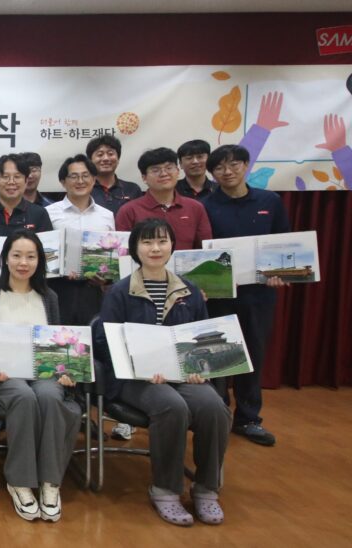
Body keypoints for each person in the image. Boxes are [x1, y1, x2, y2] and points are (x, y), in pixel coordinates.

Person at [95, 218, 230, 526]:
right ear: (135, 248)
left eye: (161, 241)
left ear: (172, 246)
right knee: (171, 406)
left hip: (183, 375)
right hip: (135, 378)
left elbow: (202, 337)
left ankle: (207, 488)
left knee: (214, 406)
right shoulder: (119, 292)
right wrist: (140, 367)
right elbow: (104, 342)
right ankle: (165, 489)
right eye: (147, 242)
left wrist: (200, 368)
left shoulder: (189, 290)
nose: (155, 248)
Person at [0, 230, 79, 522]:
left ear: (39, 261)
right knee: (23, 396)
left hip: (43, 372)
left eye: (31, 256)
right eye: (17, 255)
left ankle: (50, 481)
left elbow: (58, 343)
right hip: (3, 375)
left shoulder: (49, 297)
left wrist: (65, 372)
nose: (23, 262)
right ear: (5, 259)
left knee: (50, 395)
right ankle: (19, 481)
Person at [202, 144, 290, 447]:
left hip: (258, 294)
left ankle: (249, 418)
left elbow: (283, 243)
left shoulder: (270, 201)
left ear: (246, 165)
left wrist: (280, 272)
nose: (227, 172)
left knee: (253, 353)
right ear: (212, 173)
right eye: (219, 167)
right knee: (217, 354)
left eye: (234, 165)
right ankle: (217, 413)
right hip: (217, 294)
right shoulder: (205, 205)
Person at [45, 155, 116, 325]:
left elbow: (112, 254)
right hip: (57, 288)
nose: (80, 181)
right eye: (74, 176)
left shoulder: (106, 215)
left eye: (85, 176)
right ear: (63, 182)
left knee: (93, 335)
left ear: (94, 179)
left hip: (93, 290)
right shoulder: (48, 213)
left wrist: (105, 278)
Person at [115, 148, 212, 250]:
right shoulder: (129, 211)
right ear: (144, 178)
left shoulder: (195, 207)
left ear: (177, 172)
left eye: (169, 168)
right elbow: (124, 252)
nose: (164, 174)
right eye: (155, 170)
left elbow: (205, 249)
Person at [0, 153, 53, 237]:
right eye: (5, 176)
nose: (11, 182)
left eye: (17, 176)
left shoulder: (39, 214)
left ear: (26, 181)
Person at [86, 135, 143, 215]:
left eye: (110, 154)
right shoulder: (84, 189)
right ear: (90, 160)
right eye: (100, 154)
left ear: (118, 159)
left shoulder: (132, 189)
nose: (106, 158)